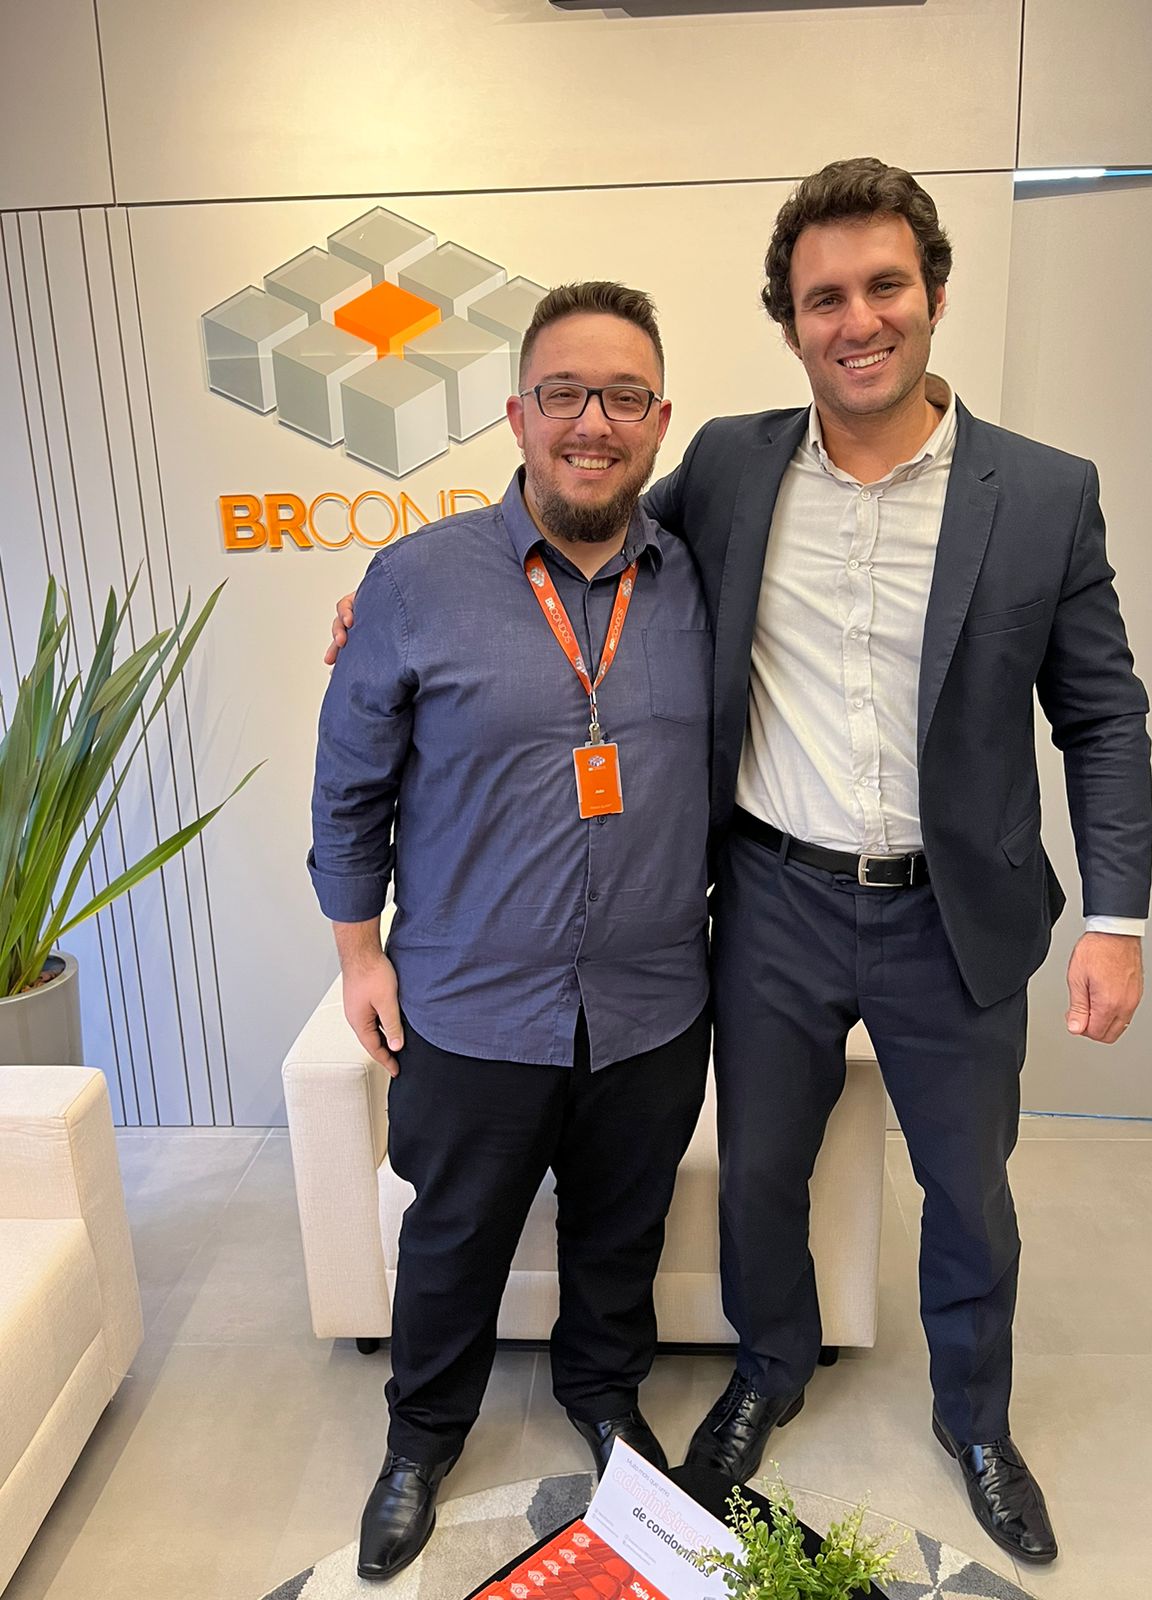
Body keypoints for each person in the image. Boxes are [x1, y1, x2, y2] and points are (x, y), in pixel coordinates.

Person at [326, 159, 1152, 1568]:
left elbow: (1105, 712)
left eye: (885, 286)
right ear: (790, 323)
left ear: (933, 295)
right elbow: (573, 509)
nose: (858, 319)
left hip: (955, 912)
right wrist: (399, 595)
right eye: (825, 297)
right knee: (761, 1175)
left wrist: (1117, 915)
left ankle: (976, 1422)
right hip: (772, 900)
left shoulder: (1042, 493)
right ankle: (768, 1371)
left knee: (970, 1189)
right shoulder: (732, 465)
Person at [309, 281, 713, 1582]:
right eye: (564, 394)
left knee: (621, 1229)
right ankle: (422, 1438)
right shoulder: (414, 581)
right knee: (454, 1236)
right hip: (472, 999)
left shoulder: (700, 580)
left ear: (659, 421)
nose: (594, 422)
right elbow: (349, 782)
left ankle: (605, 1398)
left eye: (624, 397)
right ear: (516, 414)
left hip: (653, 999)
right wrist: (358, 955)